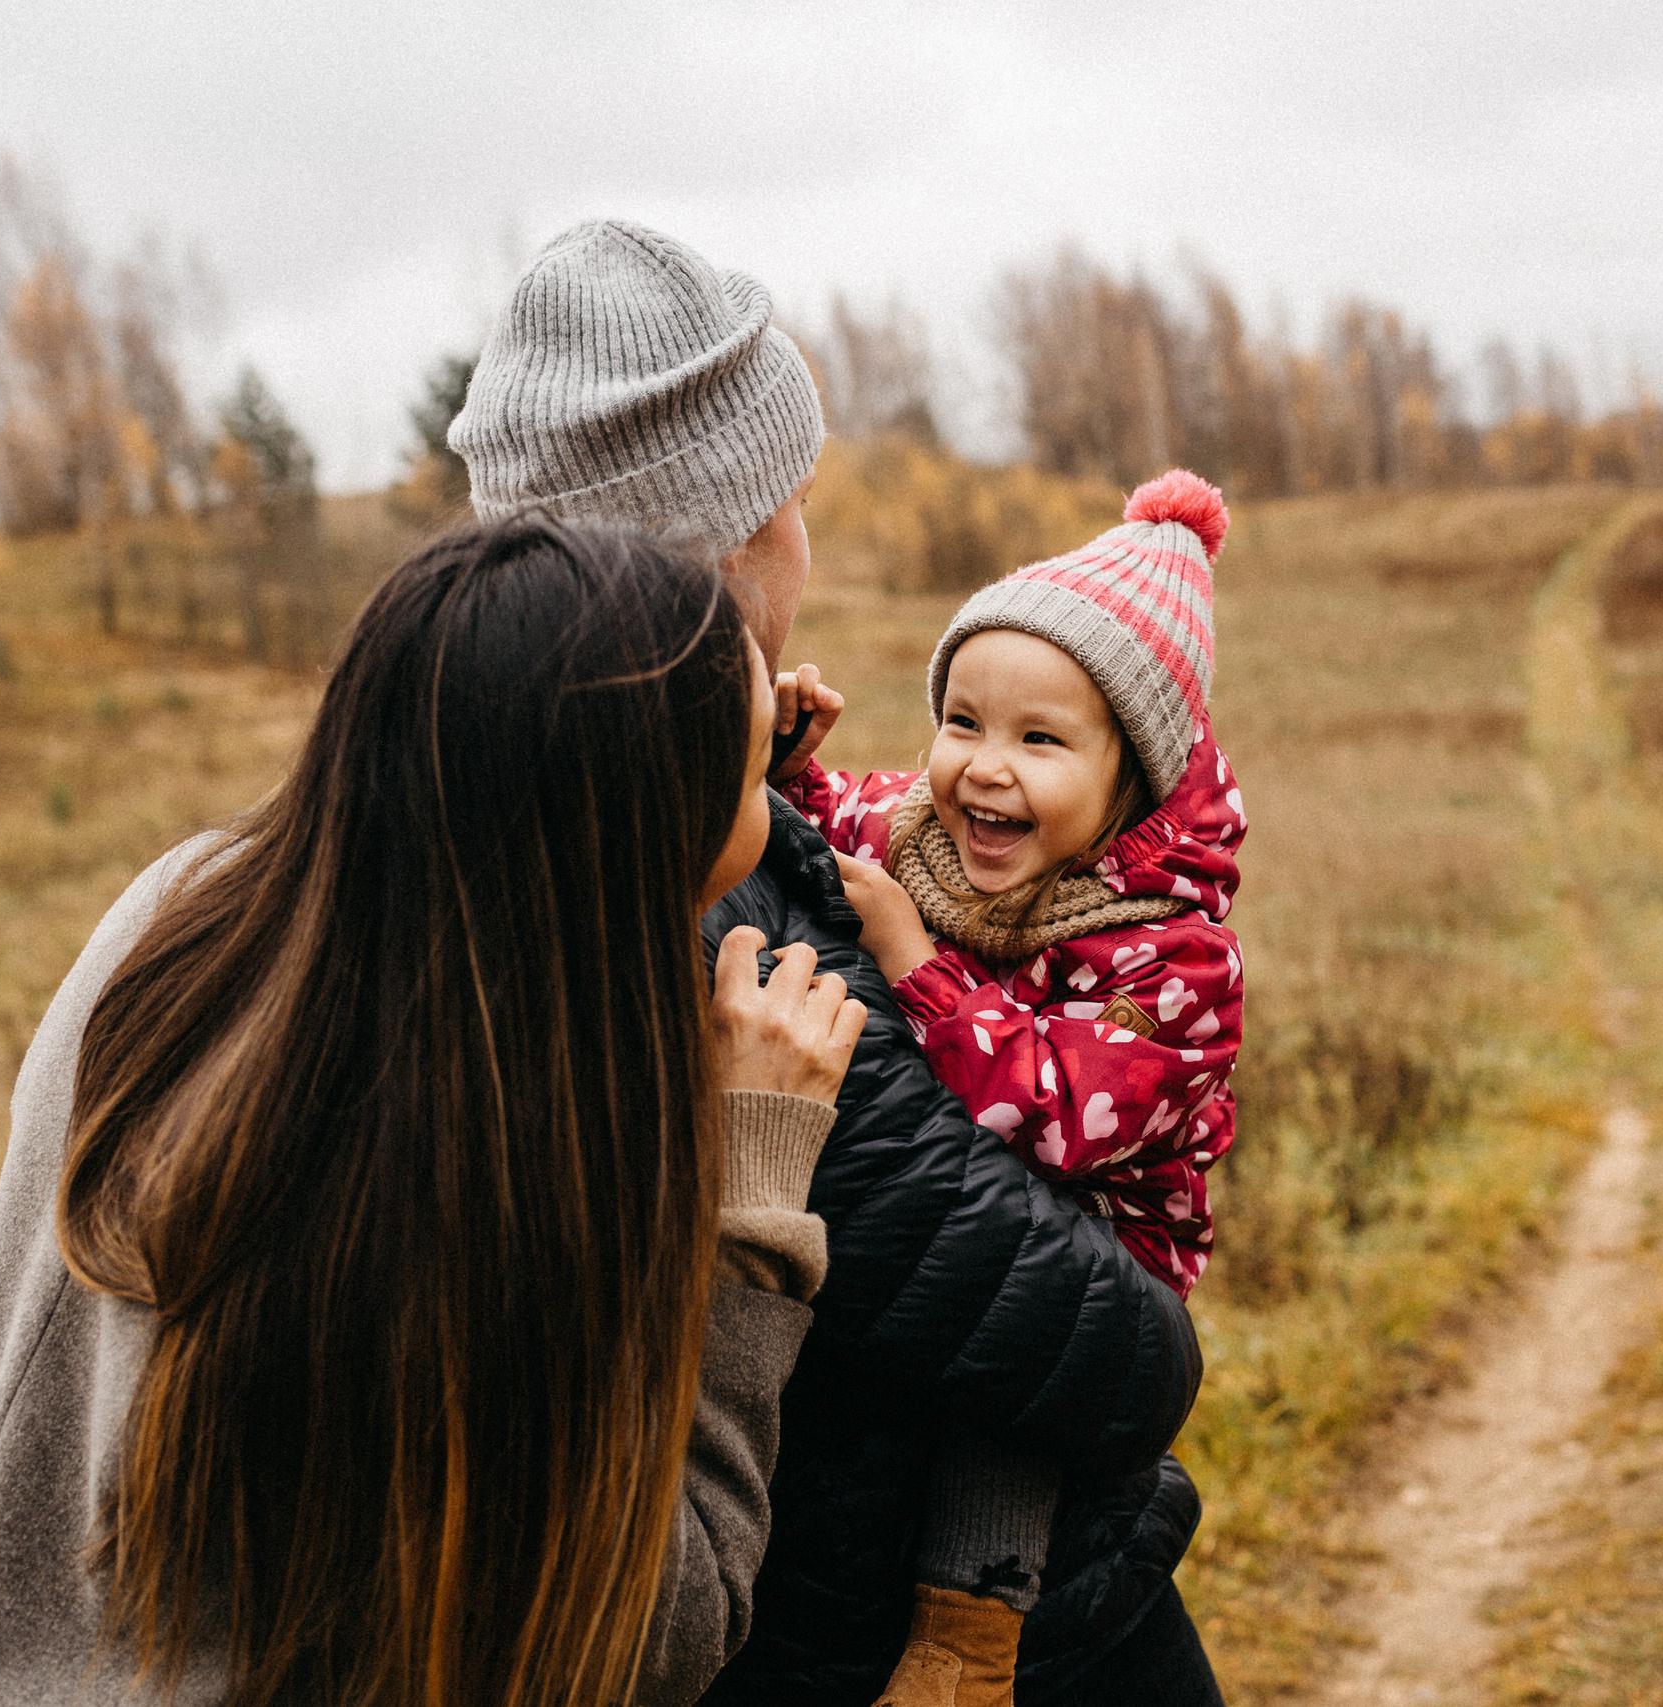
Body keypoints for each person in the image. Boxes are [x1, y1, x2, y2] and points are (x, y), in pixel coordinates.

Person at [0, 516, 867, 1707]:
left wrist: (702, 742)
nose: (772, 812)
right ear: (641, 826)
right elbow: (651, 1636)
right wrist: (748, 1211)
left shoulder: (184, 914)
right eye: (748, 778)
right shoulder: (463, 1182)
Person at [450, 219, 1213, 1707]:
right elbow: (1113, 1360)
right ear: (734, 539)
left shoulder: (516, 809)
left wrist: (767, 767)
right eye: (793, 501)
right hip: (919, 1637)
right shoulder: (715, 911)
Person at [778, 471, 1247, 1705]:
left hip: (1100, 1240)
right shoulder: (924, 833)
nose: (985, 769)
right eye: (963, 722)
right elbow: (828, 828)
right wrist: (784, 763)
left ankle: (968, 1635)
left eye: (1040, 741)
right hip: (972, 1192)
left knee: (1009, 1381)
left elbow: (1064, 1122)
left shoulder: (1174, 956)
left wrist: (915, 965)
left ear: (1132, 775)